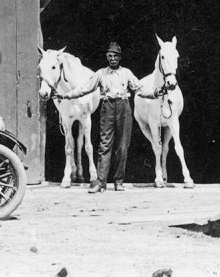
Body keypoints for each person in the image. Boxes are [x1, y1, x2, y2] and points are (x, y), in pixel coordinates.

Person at [55, 41, 156, 193]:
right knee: (105, 145)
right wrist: (66, 95)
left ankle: (119, 181)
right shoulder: (100, 73)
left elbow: (139, 89)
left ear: (120, 57)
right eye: (110, 56)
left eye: (115, 56)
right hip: (107, 107)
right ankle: (100, 182)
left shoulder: (126, 73)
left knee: (122, 146)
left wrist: (155, 93)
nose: (113, 58)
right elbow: (84, 89)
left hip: (123, 107)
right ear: (107, 57)